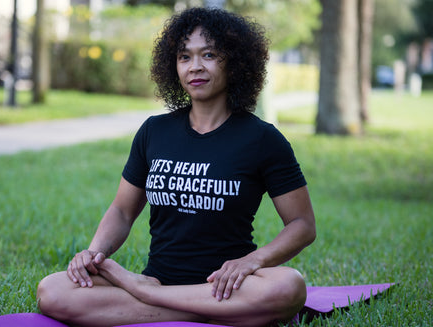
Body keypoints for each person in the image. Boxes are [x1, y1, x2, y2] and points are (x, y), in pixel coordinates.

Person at [37, 7, 316, 327]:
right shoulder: (154, 131)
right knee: (53, 290)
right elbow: (123, 211)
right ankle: (210, 312)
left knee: (288, 286)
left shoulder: (263, 139)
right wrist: (94, 254)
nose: (195, 67)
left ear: (235, 62)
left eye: (209, 54)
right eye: (184, 57)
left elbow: (302, 224)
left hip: (228, 286)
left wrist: (252, 262)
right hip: (165, 279)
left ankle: (152, 299)